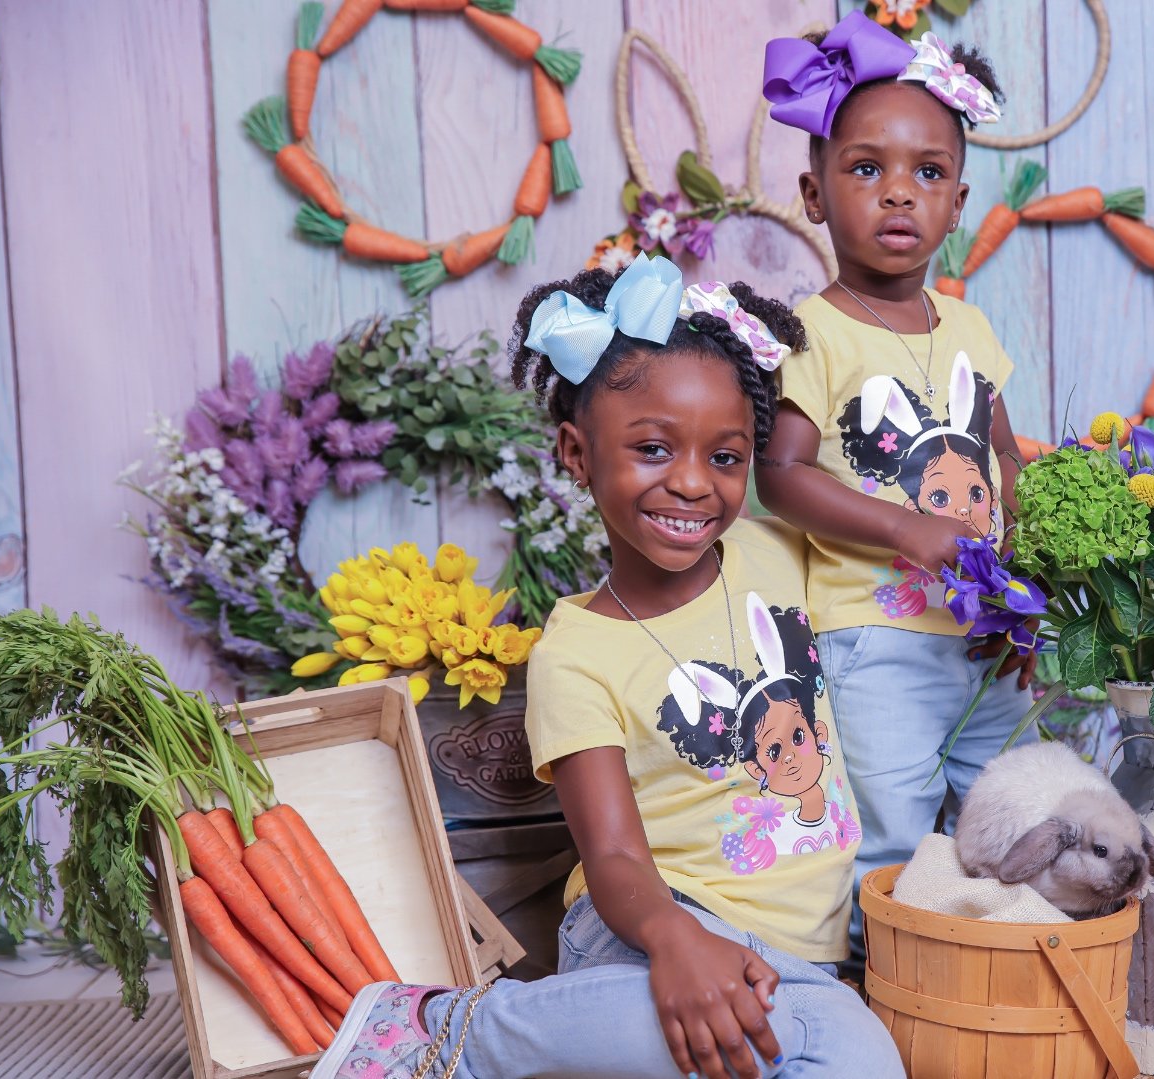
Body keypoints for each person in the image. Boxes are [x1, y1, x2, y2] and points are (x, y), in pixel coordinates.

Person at [312, 255, 903, 1079]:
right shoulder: (577, 651)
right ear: (577, 453)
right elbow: (615, 857)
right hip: (640, 927)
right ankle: (442, 1030)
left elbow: (886, 620)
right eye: (653, 448)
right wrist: (675, 940)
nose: (693, 483)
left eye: (726, 458)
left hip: (806, 961)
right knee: (671, 1018)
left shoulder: (778, 557)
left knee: (863, 1060)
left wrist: (989, 614)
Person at [754, 12, 1039, 967]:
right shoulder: (814, 330)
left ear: (957, 202)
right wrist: (900, 527)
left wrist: (1033, 601)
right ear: (813, 193)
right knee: (891, 820)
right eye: (865, 168)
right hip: (873, 636)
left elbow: (1005, 465)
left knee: (1008, 808)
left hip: (985, 637)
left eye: (926, 173)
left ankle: (995, 977)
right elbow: (780, 474)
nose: (897, 195)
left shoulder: (967, 326)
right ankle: (877, 988)